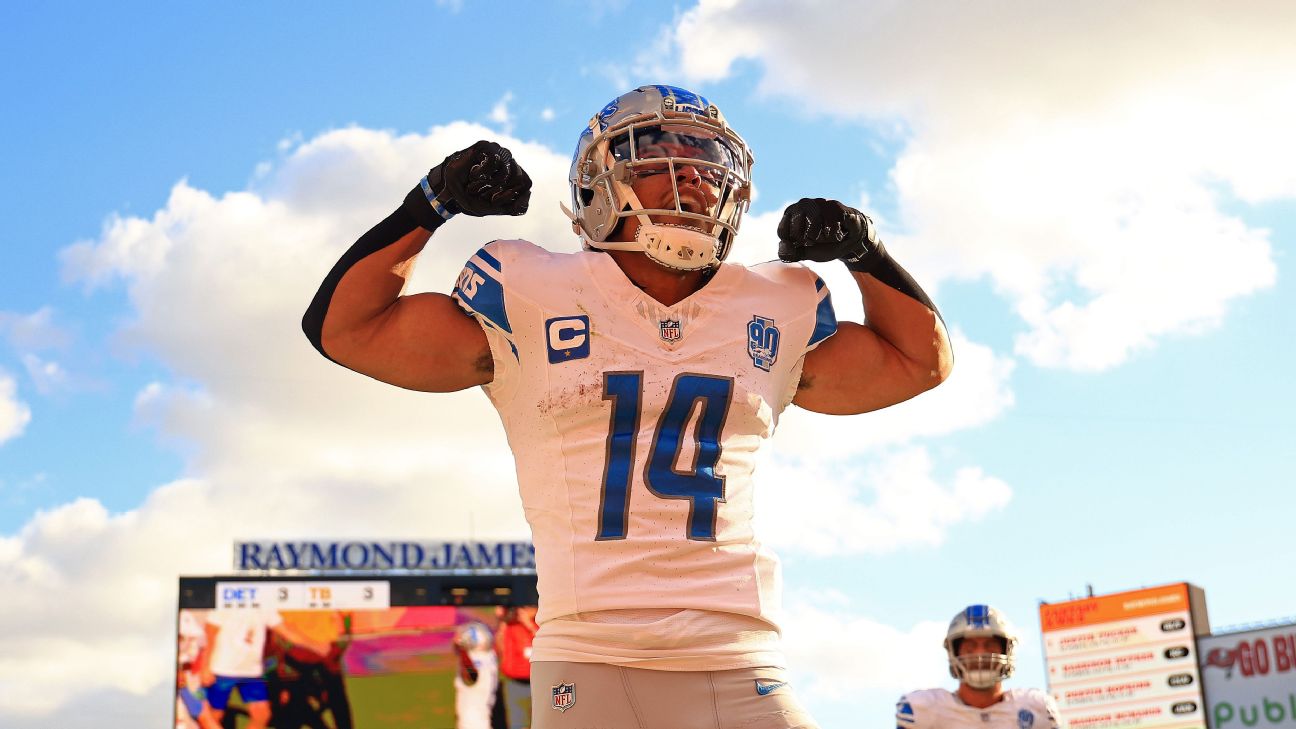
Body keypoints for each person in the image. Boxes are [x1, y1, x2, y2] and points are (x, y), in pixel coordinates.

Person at [303, 84, 952, 729]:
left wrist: (866, 252)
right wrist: (432, 202)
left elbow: (917, 362)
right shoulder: (529, 290)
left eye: (706, 158)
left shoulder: (775, 303)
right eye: (665, 152)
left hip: (739, 654)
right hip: (590, 654)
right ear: (599, 182)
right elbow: (347, 330)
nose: (692, 174)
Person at [896, 605, 1063, 728]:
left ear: (1007, 651)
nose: (980, 654)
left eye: (990, 645)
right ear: (954, 652)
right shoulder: (923, 710)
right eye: (970, 647)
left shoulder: (1037, 709)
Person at [200, 607, 330, 729]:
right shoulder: (227, 603)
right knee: (215, 716)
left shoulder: (265, 606)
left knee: (262, 714)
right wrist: (205, 666)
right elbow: (209, 635)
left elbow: (286, 631)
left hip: (252, 671)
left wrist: (315, 645)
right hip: (223, 669)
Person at [494, 607, 536, 729]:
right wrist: (502, 622)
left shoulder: (540, 624)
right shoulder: (510, 626)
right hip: (514, 684)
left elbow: (547, 646)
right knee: (517, 723)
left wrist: (528, 625)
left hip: (538, 683)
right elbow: (499, 650)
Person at [454, 620, 501, 729]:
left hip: (472, 724)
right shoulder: (490, 656)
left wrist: (462, 650)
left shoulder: (471, 661)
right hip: (483, 719)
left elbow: (471, 675)